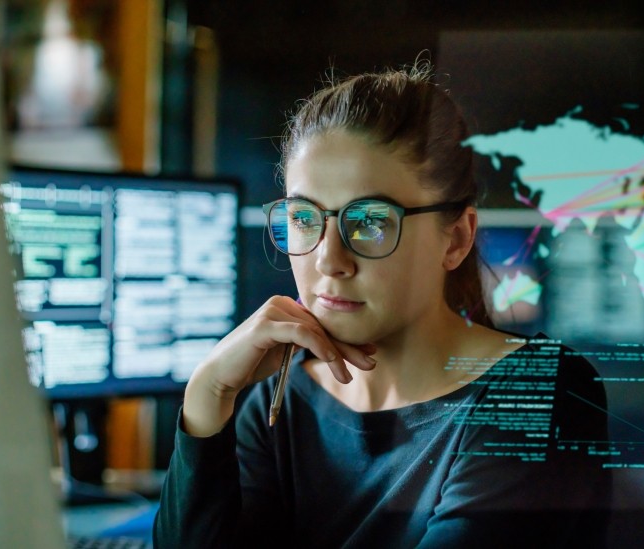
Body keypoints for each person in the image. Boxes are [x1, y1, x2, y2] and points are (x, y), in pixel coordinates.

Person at [153, 61, 612, 548]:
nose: (330, 260)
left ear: (455, 239)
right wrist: (207, 393)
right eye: (305, 218)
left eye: (371, 222)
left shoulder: (542, 396)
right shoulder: (277, 404)